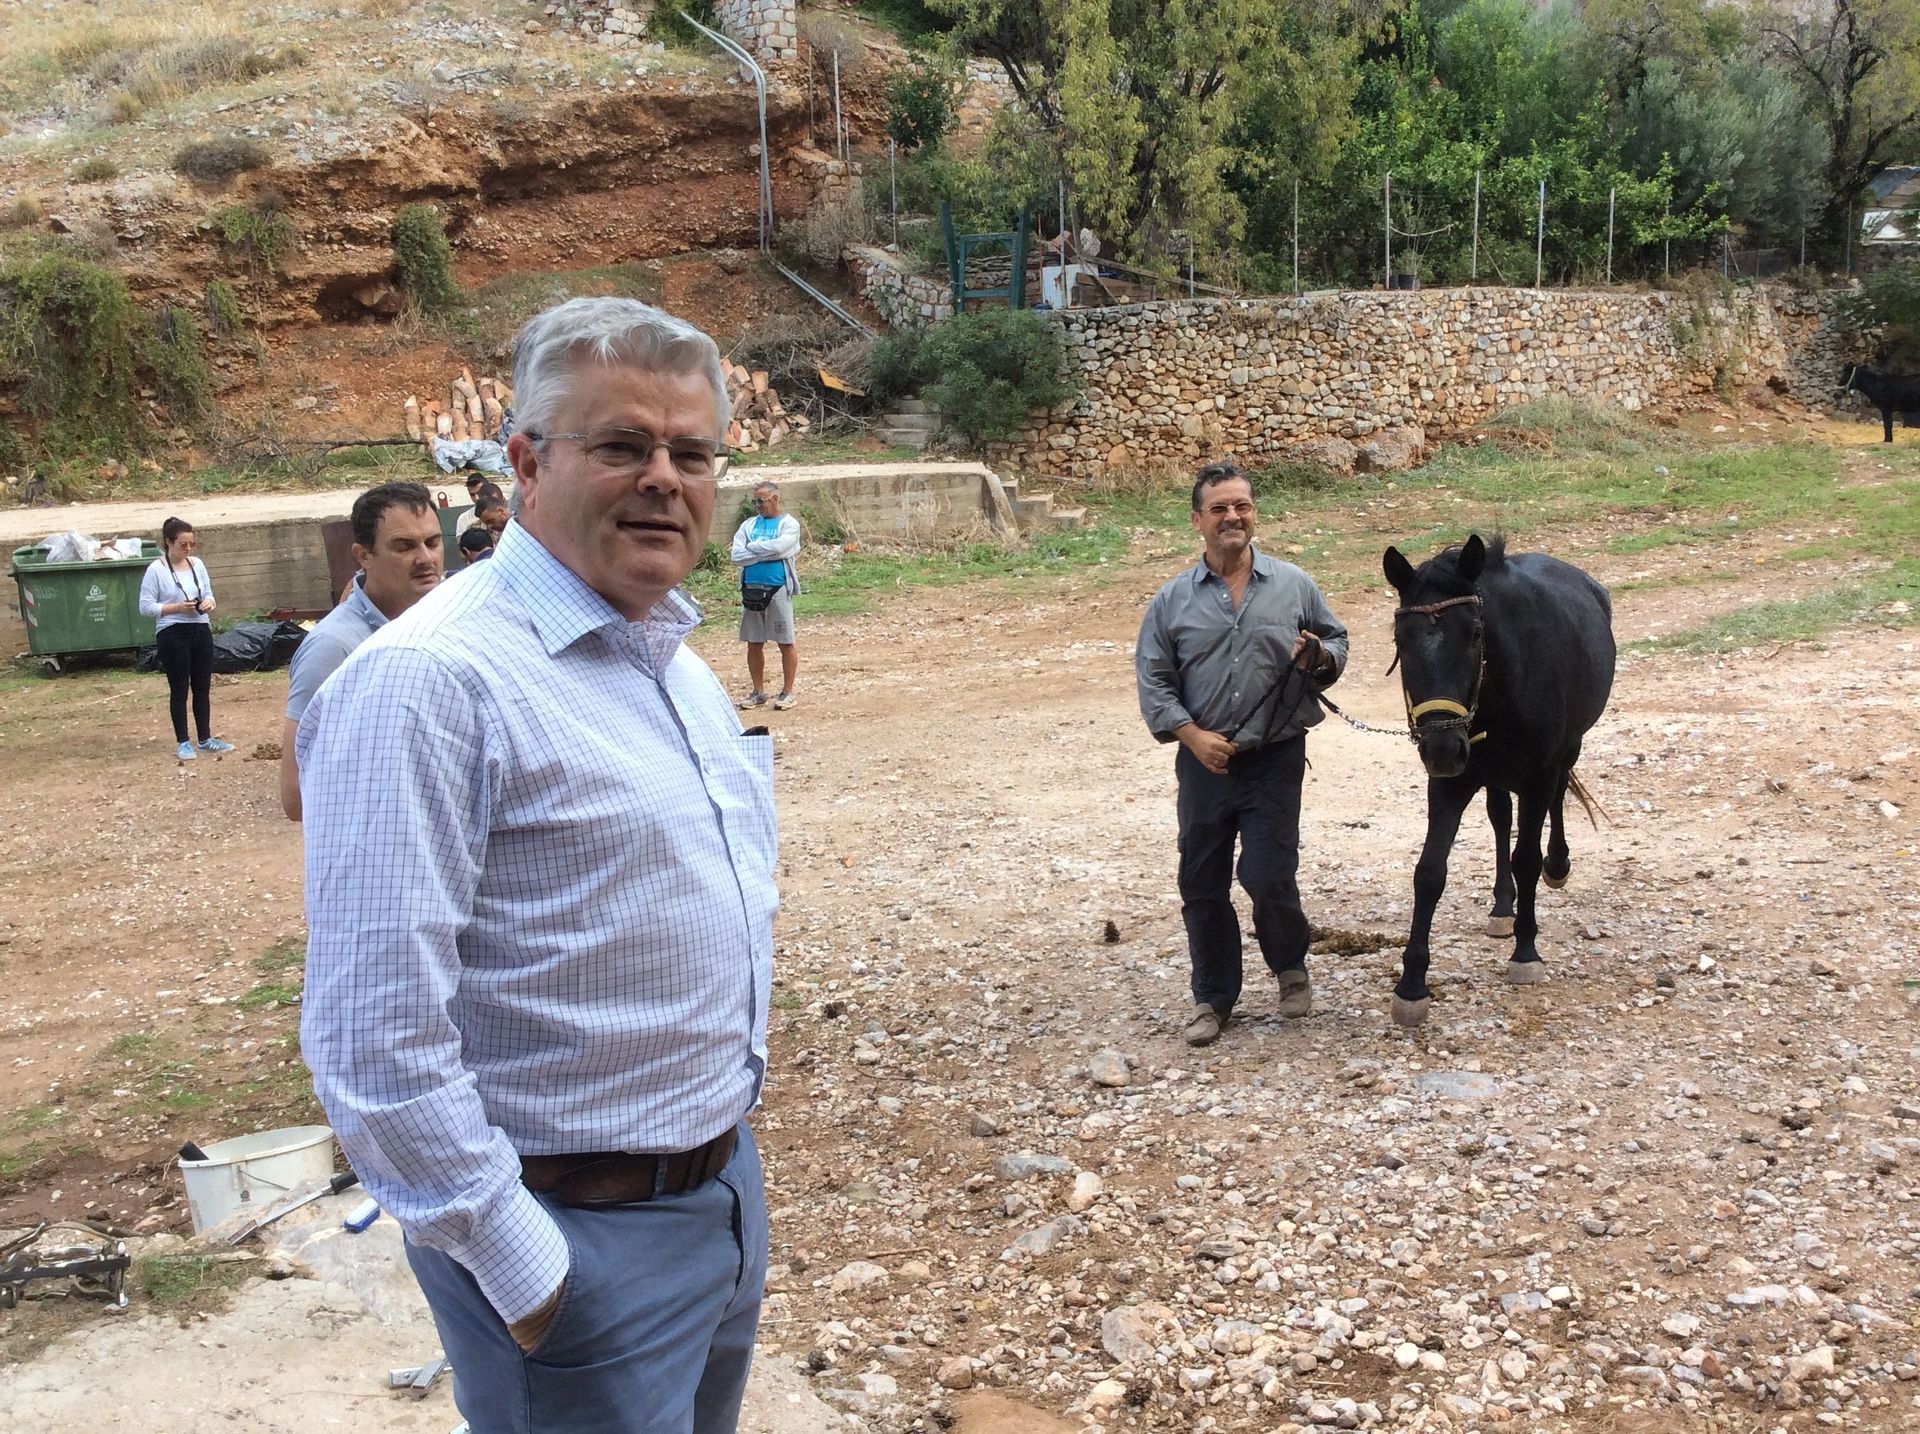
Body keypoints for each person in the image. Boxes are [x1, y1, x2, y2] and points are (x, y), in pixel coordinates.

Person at [298, 296, 770, 1434]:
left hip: (716, 1196)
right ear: (523, 462)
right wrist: (525, 1271)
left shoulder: (671, 660)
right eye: (622, 446)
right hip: (571, 1243)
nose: (666, 477)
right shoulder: (432, 682)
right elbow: (372, 1039)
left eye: (692, 452)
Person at [1134, 461, 1349, 1048]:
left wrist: (1319, 659)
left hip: (1274, 756)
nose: (1233, 517)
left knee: (1268, 874)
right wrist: (1191, 735)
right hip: (1203, 763)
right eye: (1220, 509)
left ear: (1253, 514)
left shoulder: (1294, 584)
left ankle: (1290, 967)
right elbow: (1153, 678)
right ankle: (1213, 998)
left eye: (1243, 507)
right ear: (1197, 520)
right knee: (1201, 881)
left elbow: (1337, 640)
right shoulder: (1171, 601)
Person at [278, 482, 444, 821]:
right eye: (404, 546)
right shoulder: (333, 648)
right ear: (363, 555)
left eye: (433, 542)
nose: (425, 558)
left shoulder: (453, 621)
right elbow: (296, 797)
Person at [137, 517, 235, 762]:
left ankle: (205, 737)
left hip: (200, 628)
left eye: (192, 544)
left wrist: (209, 603)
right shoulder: (156, 570)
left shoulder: (197, 565)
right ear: (169, 543)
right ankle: (183, 740)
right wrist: (177, 608)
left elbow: (209, 592)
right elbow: (145, 607)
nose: (188, 549)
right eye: (183, 544)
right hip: (172, 631)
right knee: (179, 687)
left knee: (202, 686)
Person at [730, 481, 801, 711]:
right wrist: (765, 550)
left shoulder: (789, 524)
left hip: (778, 589)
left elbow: (782, 548)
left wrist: (753, 548)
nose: (758, 505)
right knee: (754, 643)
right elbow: (737, 555)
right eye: (755, 501)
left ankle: (788, 691)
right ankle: (758, 692)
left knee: (785, 641)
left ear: (775, 499)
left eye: (761, 501)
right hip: (751, 590)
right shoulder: (749, 525)